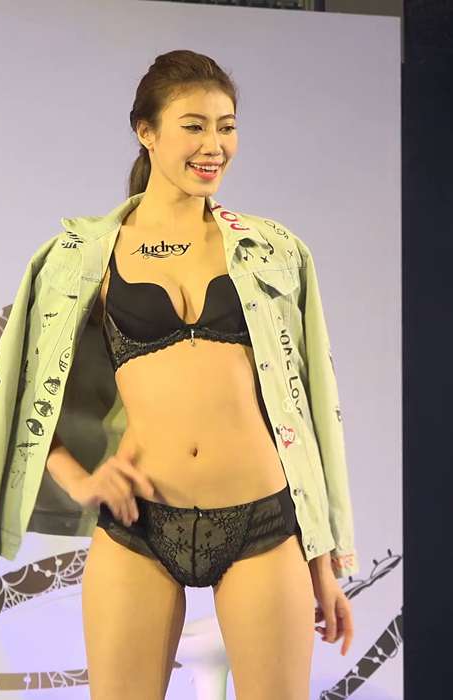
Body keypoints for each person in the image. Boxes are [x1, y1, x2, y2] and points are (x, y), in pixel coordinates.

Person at [43, 49, 356, 700]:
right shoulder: (85, 255)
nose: (214, 145)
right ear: (146, 131)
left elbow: (311, 407)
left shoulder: (273, 249)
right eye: (193, 125)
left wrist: (324, 560)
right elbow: (18, 396)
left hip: (262, 525)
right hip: (137, 527)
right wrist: (79, 478)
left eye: (227, 126)